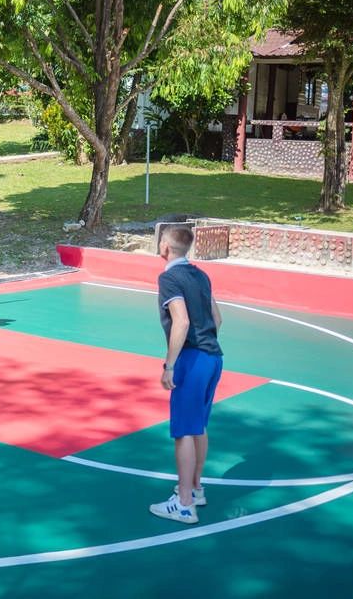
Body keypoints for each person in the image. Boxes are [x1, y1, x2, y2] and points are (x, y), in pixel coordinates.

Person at [149, 225, 223, 525]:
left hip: (191, 360)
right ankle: (195, 488)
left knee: (182, 432)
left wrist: (169, 365)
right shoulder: (200, 275)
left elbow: (180, 321)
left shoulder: (169, 278)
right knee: (198, 427)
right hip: (213, 357)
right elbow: (217, 318)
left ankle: (183, 504)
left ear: (165, 245)